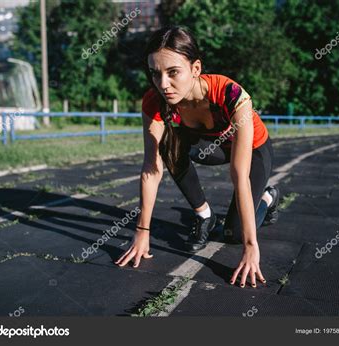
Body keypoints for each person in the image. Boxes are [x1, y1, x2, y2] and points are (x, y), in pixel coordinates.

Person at [115, 26, 280, 288]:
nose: (163, 84)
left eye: (173, 73)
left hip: (253, 149)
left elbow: (239, 176)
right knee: (168, 144)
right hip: (210, 145)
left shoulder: (232, 95)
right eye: (155, 74)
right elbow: (151, 168)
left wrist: (251, 246)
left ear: (195, 69)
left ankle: (268, 197)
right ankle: (204, 215)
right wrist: (141, 232)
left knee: (234, 234)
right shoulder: (154, 101)